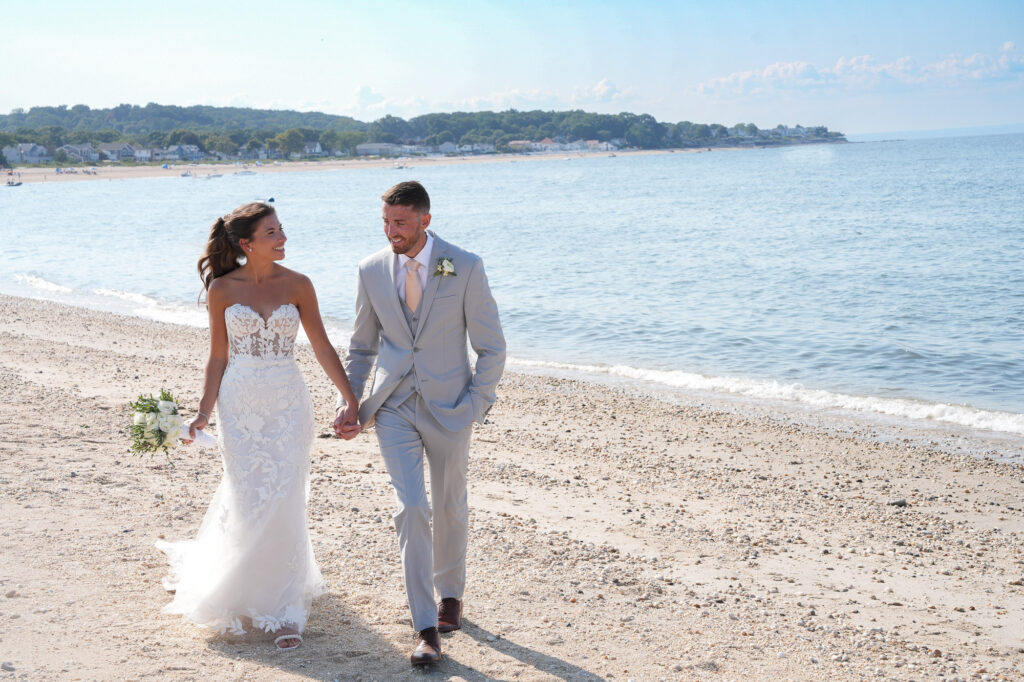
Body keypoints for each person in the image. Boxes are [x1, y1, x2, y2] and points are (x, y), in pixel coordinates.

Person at [156, 201, 360, 650]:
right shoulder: (223, 290)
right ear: (247, 243)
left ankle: (284, 608)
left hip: (289, 402)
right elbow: (218, 356)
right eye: (272, 233)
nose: (282, 237)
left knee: (286, 496)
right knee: (249, 496)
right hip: (240, 404)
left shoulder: (300, 284)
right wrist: (202, 413)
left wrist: (350, 398)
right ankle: (244, 587)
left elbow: (322, 346)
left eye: (281, 229)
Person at [333, 181, 506, 665]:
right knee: (411, 507)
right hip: (392, 407)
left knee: (450, 504)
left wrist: (476, 403)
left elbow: (492, 346)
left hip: (452, 407)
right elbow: (363, 347)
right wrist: (352, 402)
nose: (392, 232)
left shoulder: (465, 266)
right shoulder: (370, 270)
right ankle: (426, 627)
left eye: (401, 223)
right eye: (386, 222)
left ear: (425, 221)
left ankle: (451, 593)